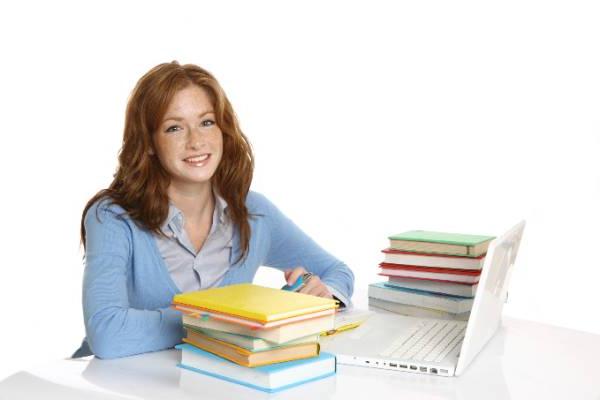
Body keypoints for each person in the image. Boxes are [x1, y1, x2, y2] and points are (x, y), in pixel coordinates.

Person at [73, 61, 355, 359]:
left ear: (223, 129)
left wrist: (321, 299)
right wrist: (229, 321)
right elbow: (107, 333)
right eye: (174, 128)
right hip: (109, 386)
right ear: (150, 143)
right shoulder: (113, 217)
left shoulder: (254, 213)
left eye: (207, 122)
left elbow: (337, 272)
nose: (196, 141)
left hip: (212, 383)